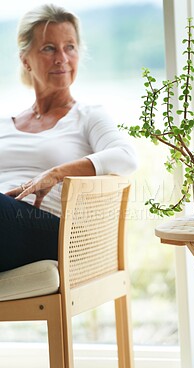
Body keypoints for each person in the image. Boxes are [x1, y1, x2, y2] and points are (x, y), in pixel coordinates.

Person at [0, 4, 137, 272]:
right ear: (25, 59)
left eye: (70, 47)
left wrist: (56, 173)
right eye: (49, 48)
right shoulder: (5, 125)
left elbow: (126, 157)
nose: (61, 58)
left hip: (52, 231)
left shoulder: (88, 116)